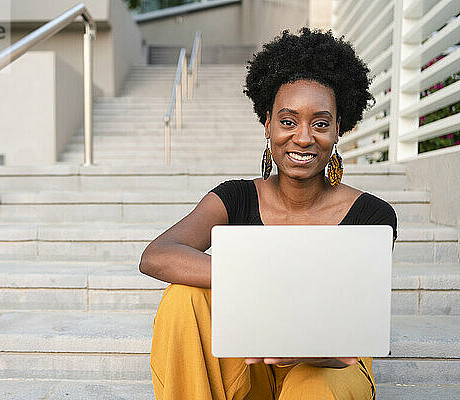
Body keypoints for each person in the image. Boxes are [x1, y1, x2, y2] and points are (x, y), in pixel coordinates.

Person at [138, 27, 398, 400]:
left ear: (339, 129)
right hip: (249, 361)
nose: (304, 137)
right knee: (183, 298)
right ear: (268, 126)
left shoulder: (372, 216)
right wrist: (260, 273)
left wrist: (303, 340)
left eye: (320, 123)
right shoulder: (236, 198)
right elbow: (156, 255)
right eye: (288, 121)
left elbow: (348, 342)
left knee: (314, 386)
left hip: (328, 365)